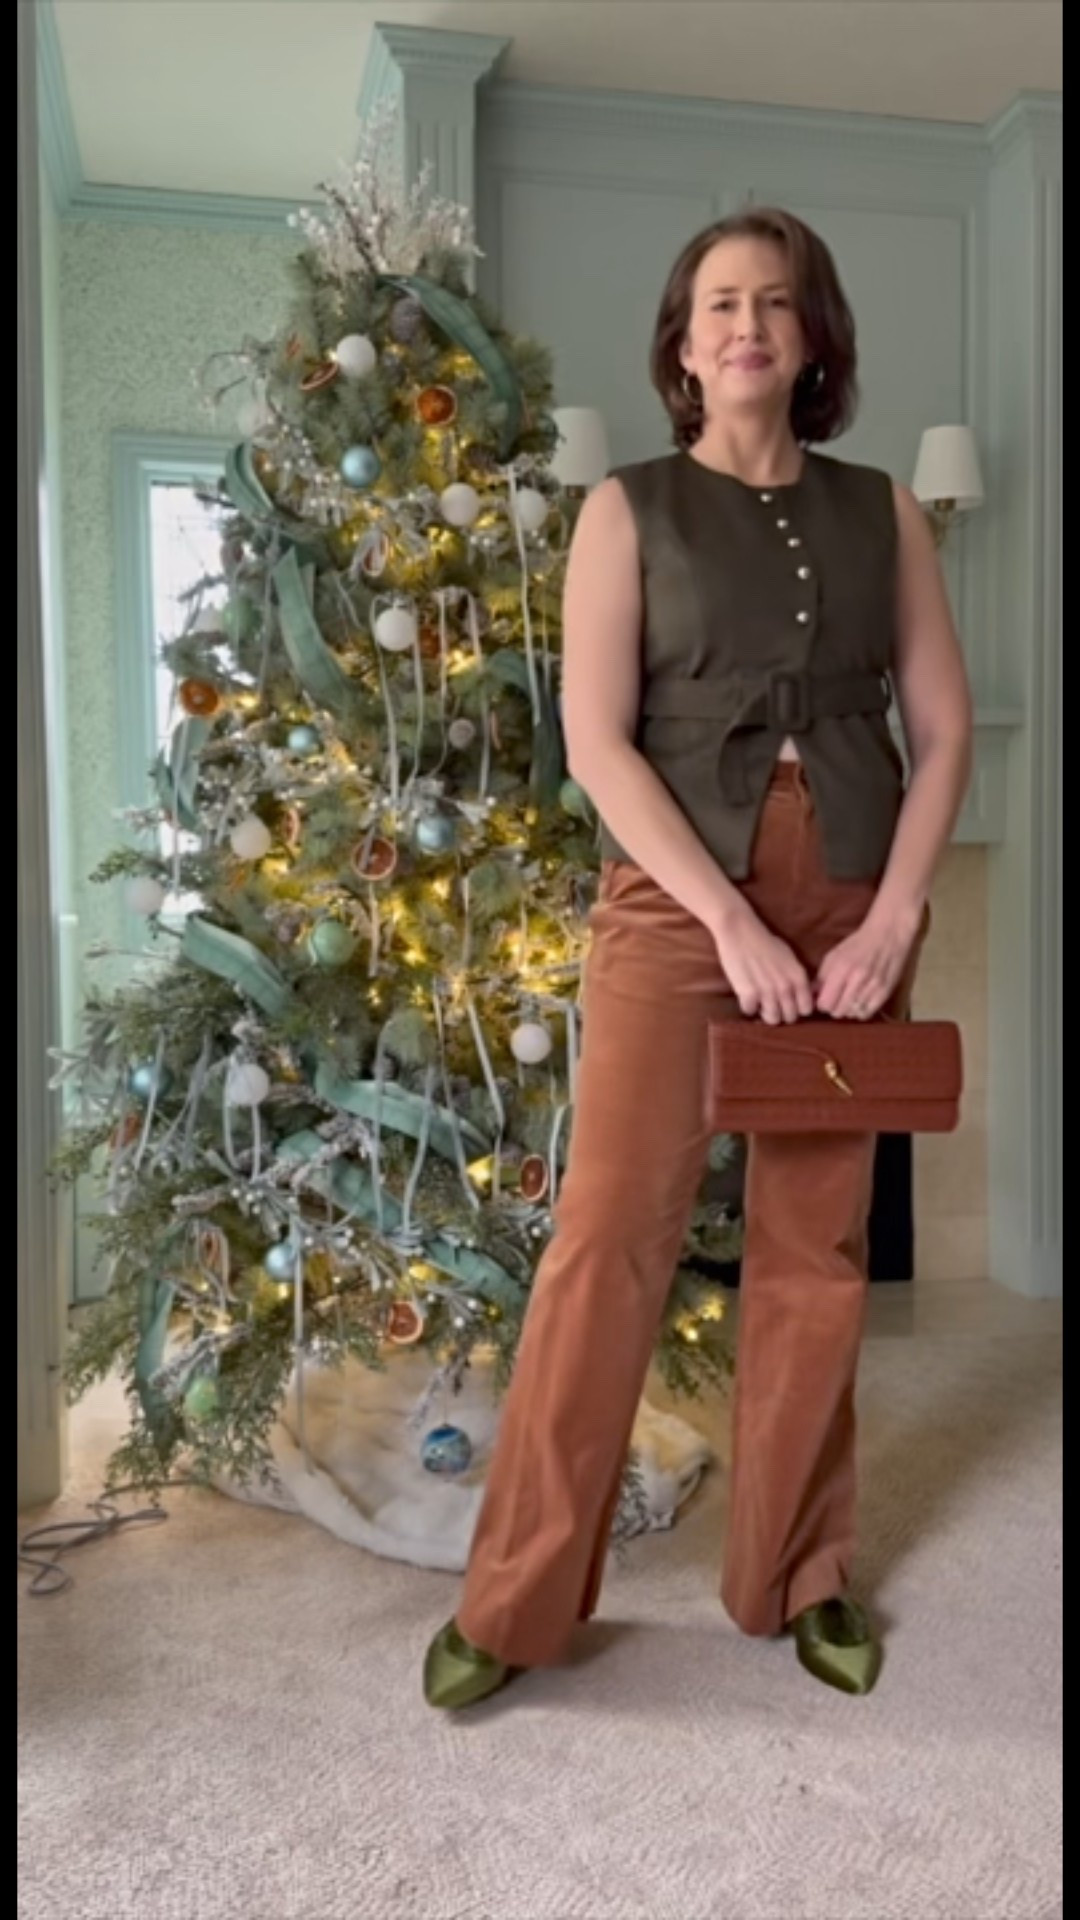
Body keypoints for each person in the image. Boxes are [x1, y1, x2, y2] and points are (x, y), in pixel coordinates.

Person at [423, 208, 973, 1708]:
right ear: (682, 341)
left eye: (776, 303)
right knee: (610, 1238)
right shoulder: (627, 511)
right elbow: (596, 744)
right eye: (721, 303)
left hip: (851, 902)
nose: (747, 326)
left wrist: (894, 918)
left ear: (813, 338)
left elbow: (942, 733)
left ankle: (799, 1574)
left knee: (817, 1250)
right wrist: (729, 919)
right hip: (678, 906)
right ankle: (518, 1598)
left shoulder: (885, 513)